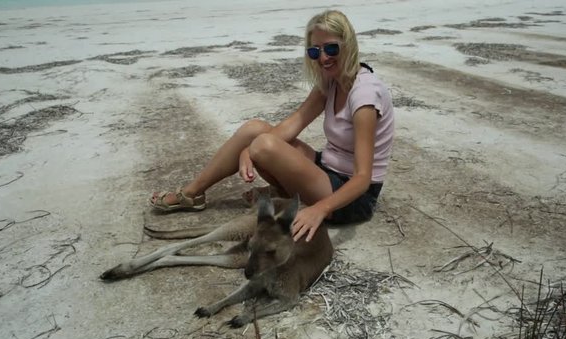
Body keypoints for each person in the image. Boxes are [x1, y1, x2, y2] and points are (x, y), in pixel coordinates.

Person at [150, 9, 395, 242]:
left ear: (348, 44)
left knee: (264, 145)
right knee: (254, 130)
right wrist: (248, 148)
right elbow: (294, 122)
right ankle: (192, 194)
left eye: (331, 48)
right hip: (327, 169)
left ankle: (288, 196)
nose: (323, 58)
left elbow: (363, 178)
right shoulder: (331, 81)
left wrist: (319, 209)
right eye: (314, 52)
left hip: (355, 196)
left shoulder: (364, 96)